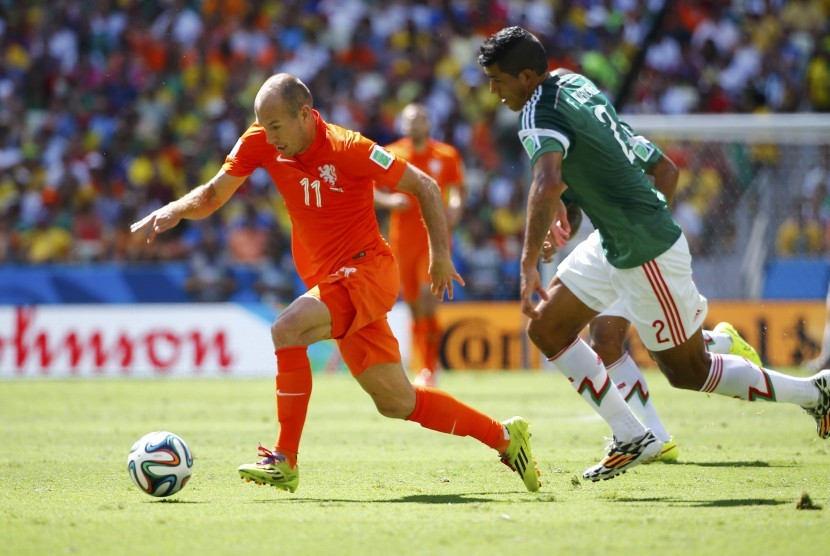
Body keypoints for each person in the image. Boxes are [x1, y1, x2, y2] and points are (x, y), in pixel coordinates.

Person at [131, 73, 540, 493]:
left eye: (276, 126)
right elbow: (215, 193)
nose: (269, 137)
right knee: (398, 402)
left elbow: (425, 185)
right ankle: (505, 438)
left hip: (367, 271)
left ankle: (284, 459)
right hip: (334, 281)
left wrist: (441, 254)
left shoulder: (350, 148)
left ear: (305, 115)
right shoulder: (260, 139)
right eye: (262, 126)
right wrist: (175, 210)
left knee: (287, 328)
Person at [477, 27, 830, 482]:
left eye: (498, 80)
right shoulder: (574, 83)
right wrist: (576, 206)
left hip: (645, 252)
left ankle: (814, 393)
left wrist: (528, 266)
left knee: (688, 371)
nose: (493, 91)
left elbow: (546, 183)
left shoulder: (535, 116)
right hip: (615, 243)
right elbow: (637, 164)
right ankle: (632, 436)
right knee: (548, 327)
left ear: (526, 77)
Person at [540, 89, 762, 463]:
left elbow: (667, 171)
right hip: (613, 250)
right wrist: (560, 226)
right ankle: (657, 433)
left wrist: (647, 233)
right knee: (606, 340)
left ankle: (718, 351)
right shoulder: (568, 150)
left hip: (640, 251)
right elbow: (572, 205)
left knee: (646, 347)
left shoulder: (611, 140)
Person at [373, 103, 465, 387]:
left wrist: (455, 208)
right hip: (403, 241)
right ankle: (422, 363)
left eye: (421, 119)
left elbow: (458, 189)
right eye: (410, 120)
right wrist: (389, 201)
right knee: (413, 305)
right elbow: (369, 186)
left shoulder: (446, 155)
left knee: (427, 298)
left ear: (429, 124)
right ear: (403, 125)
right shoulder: (391, 153)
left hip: (433, 239)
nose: (415, 124)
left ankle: (428, 368)